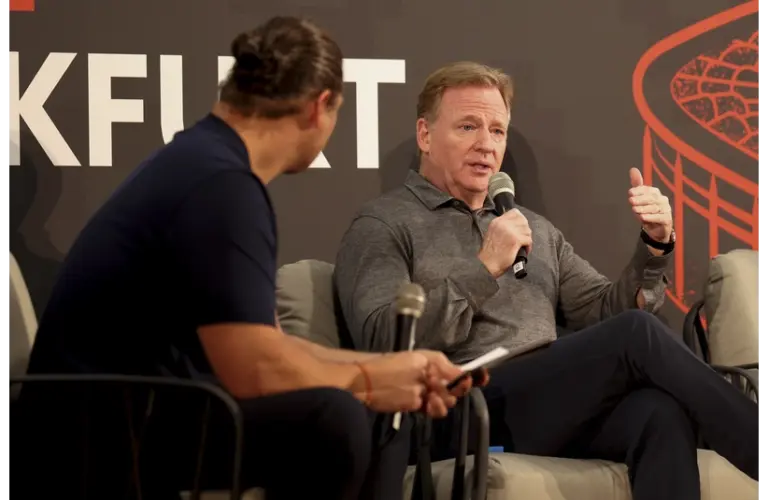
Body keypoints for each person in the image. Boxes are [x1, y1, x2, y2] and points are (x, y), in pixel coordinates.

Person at [17, 18, 471, 500]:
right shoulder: (221, 186)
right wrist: (367, 379)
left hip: (144, 411)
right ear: (320, 107)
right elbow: (256, 371)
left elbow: (270, 347)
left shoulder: (203, 162)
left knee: (369, 408)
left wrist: (385, 372)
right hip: (102, 434)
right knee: (331, 420)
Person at [333, 61, 760, 500]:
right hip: (464, 407)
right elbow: (382, 342)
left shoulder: (532, 227)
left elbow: (605, 311)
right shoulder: (383, 224)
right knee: (638, 335)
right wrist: (483, 268)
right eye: (467, 127)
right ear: (425, 135)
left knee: (658, 412)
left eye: (497, 131)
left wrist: (653, 248)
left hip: (551, 399)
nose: (486, 144)